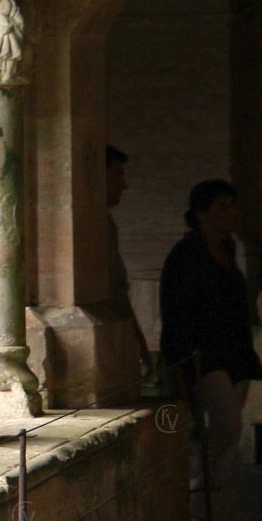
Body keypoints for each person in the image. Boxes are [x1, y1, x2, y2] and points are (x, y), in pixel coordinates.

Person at [159, 178, 262, 521]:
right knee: (225, 427)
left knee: (227, 437)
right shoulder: (186, 254)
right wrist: (180, 364)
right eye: (223, 206)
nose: (232, 213)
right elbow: (176, 313)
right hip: (202, 356)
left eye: (233, 205)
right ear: (201, 213)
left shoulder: (228, 248)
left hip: (233, 353)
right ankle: (204, 518)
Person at [105, 145, 151, 378]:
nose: (125, 185)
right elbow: (116, 289)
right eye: (118, 175)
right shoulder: (96, 225)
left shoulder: (105, 223)